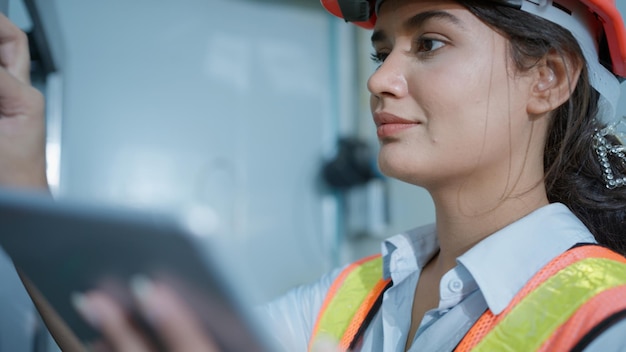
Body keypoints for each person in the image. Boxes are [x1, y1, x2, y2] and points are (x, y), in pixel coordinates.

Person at [0, 0, 626, 351]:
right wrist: (18, 166)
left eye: (429, 43)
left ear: (547, 78)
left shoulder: (606, 318)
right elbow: (131, 340)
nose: (380, 79)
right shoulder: (354, 296)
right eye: (383, 51)